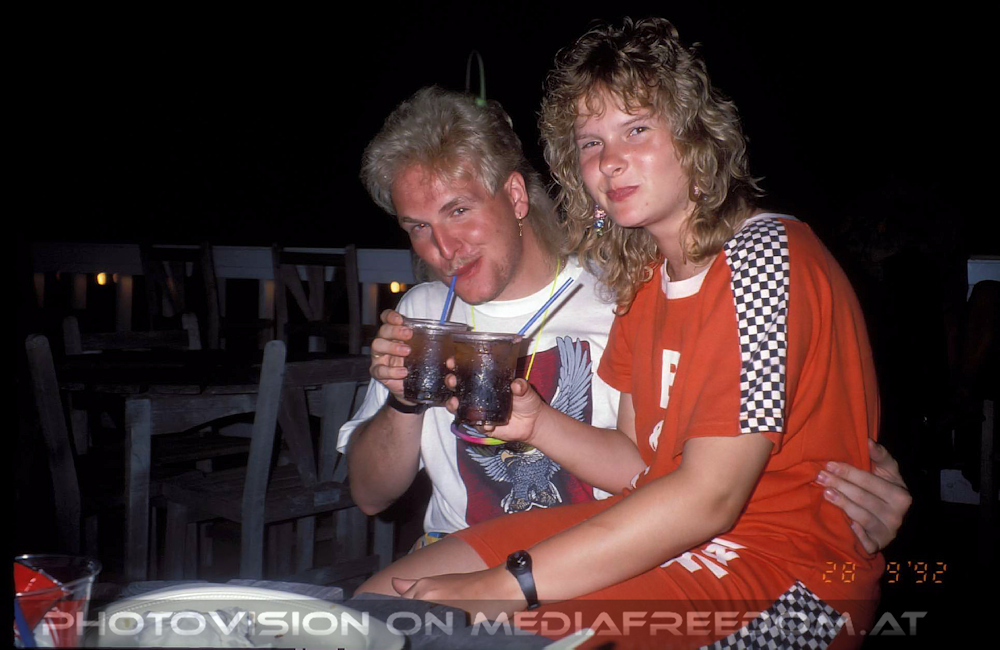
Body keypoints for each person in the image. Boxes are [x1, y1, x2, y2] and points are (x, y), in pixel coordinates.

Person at [353, 19, 899, 647]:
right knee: (381, 602)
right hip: (668, 529)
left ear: (695, 135)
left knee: (469, 632)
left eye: (636, 129)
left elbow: (709, 500)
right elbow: (639, 466)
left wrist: (504, 585)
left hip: (794, 577)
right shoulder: (643, 279)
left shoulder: (761, 257)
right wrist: (536, 422)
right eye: (590, 142)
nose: (609, 161)